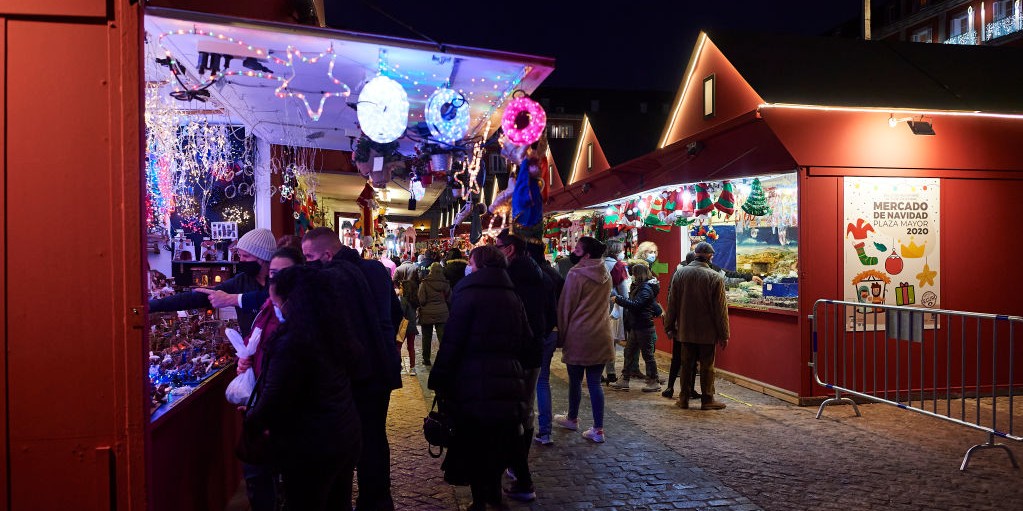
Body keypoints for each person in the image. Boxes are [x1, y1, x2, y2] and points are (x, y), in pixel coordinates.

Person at [242, 265, 363, 510]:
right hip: (343, 432)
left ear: (292, 303)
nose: (275, 309)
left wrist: (251, 419)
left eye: (277, 303)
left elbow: (275, 397)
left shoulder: (293, 342)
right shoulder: (332, 328)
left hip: (311, 445)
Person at [301, 227, 402, 511]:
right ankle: (378, 499)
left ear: (327, 254)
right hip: (381, 366)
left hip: (357, 370)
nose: (306, 262)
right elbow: (398, 314)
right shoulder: (376, 270)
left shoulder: (334, 276)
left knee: (355, 438)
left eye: (309, 256)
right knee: (375, 435)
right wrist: (392, 342)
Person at [427, 245, 530, 511]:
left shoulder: (467, 293)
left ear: (479, 266)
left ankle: (480, 500)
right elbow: (528, 342)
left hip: (472, 381)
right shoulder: (513, 296)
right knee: (498, 441)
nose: (467, 267)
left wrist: (439, 378)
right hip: (509, 379)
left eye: (470, 262)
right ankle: (494, 494)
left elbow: (452, 341)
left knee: (474, 442)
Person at [495, 230, 551, 502]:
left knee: (510, 414)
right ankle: (518, 470)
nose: (496, 249)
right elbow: (551, 313)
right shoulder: (542, 275)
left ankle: (521, 475)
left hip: (515, 352)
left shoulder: (508, 278)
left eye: (499, 246)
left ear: (511, 249)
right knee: (525, 410)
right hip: (534, 350)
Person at [150, 227, 277, 338]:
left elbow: (272, 299)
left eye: (246, 256)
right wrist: (153, 305)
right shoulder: (240, 281)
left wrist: (232, 299)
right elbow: (197, 298)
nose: (241, 260)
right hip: (251, 356)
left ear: (263, 258)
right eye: (240, 255)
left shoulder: (282, 280)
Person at [554, 237, 613, 443]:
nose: (573, 251)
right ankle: (598, 429)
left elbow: (566, 306)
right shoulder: (606, 273)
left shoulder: (576, 274)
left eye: (577, 249)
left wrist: (561, 334)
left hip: (579, 334)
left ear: (586, 255)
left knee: (575, 381)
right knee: (595, 382)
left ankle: (572, 418)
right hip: (602, 333)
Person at [663, 241, 730, 410]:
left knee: (686, 365)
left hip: (685, 330)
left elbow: (672, 304)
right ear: (710, 257)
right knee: (707, 366)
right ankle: (707, 399)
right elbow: (720, 310)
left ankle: (683, 398)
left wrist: (669, 326)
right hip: (707, 332)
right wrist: (724, 334)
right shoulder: (715, 277)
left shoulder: (680, 274)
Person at [528, 243, 563, 447]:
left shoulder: (530, 275)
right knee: (542, 380)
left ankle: (526, 427)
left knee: (527, 381)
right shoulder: (554, 275)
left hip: (535, 332)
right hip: (551, 330)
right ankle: (545, 430)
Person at [610, 263, 662, 393]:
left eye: (633, 273)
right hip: (636, 325)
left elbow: (636, 305)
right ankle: (624, 379)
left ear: (638, 274)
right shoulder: (640, 287)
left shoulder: (645, 289)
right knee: (629, 352)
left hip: (644, 327)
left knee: (647, 355)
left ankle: (653, 381)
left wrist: (619, 299)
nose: (631, 276)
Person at [662, 252, 702, 401]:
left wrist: (669, 325)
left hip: (680, 325)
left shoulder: (678, 276)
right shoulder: (704, 276)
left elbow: (671, 300)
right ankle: (689, 389)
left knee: (677, 358)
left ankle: (670, 387)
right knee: (692, 359)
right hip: (695, 327)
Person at [602, 240, 630, 385]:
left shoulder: (597, 264)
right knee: (610, 340)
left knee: (597, 340)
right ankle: (611, 371)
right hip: (612, 306)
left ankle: (596, 370)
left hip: (594, 307)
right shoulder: (618, 266)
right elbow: (623, 293)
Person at [418, 262, 450, 367]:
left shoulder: (425, 283)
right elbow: (450, 299)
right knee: (443, 338)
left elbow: (422, 300)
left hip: (427, 313)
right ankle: (445, 358)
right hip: (442, 312)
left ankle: (426, 359)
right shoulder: (446, 283)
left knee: (426, 337)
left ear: (430, 270)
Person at [397, 278, 418, 376]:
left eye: (400, 287)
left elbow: (401, 312)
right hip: (412, 326)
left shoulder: (403, 300)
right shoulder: (414, 300)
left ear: (404, 289)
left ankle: (398, 365)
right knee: (411, 347)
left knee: (398, 346)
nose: (399, 289)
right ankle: (412, 368)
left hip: (403, 326)